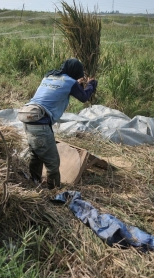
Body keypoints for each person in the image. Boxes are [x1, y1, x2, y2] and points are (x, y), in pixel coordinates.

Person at [22, 58, 97, 189]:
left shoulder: (49, 76)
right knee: (53, 162)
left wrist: (76, 83)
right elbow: (84, 97)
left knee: (37, 154)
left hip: (27, 117)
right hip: (40, 122)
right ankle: (54, 191)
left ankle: (33, 182)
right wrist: (91, 84)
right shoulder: (70, 82)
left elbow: (60, 85)